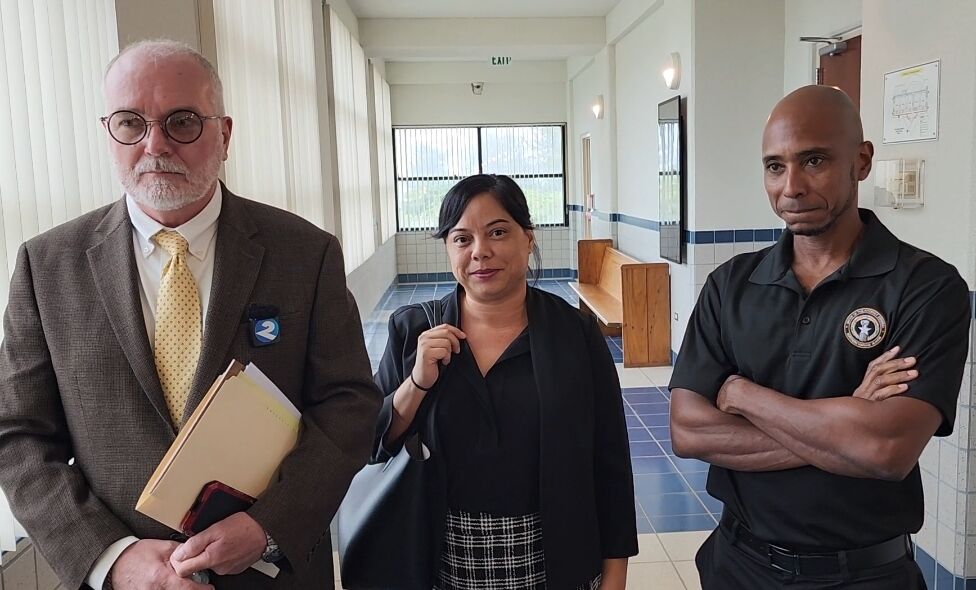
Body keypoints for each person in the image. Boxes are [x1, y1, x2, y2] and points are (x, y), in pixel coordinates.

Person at [0, 39, 381, 589]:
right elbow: (18, 433)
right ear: (109, 133)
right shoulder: (47, 265)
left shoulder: (304, 252)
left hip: (270, 573)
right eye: (131, 123)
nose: (156, 145)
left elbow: (349, 404)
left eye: (181, 121)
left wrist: (268, 526)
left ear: (224, 135)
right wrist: (112, 557)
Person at [669, 85, 970, 589]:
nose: (792, 187)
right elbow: (689, 431)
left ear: (862, 160)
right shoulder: (732, 285)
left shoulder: (926, 287)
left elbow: (885, 450)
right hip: (738, 566)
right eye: (774, 166)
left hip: (864, 575)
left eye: (814, 160)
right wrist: (846, 417)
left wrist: (740, 393)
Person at [372, 174, 637, 589]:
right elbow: (372, 442)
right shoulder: (413, 331)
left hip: (555, 559)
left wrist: (615, 577)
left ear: (528, 239)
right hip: (440, 562)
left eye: (498, 232)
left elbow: (611, 462)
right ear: (448, 248)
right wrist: (417, 383)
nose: (480, 252)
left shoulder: (575, 334)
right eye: (462, 239)